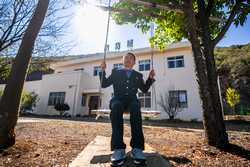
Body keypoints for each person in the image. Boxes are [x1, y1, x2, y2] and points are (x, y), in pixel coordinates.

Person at [99, 52, 155, 166]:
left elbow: (144, 89)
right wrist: (102, 71)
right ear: (122, 61)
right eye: (126, 58)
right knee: (116, 106)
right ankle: (119, 149)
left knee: (135, 106)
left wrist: (150, 78)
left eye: (130, 58)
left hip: (132, 100)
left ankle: (137, 149)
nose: (128, 59)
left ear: (134, 62)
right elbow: (104, 84)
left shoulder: (138, 75)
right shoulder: (116, 73)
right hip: (118, 99)